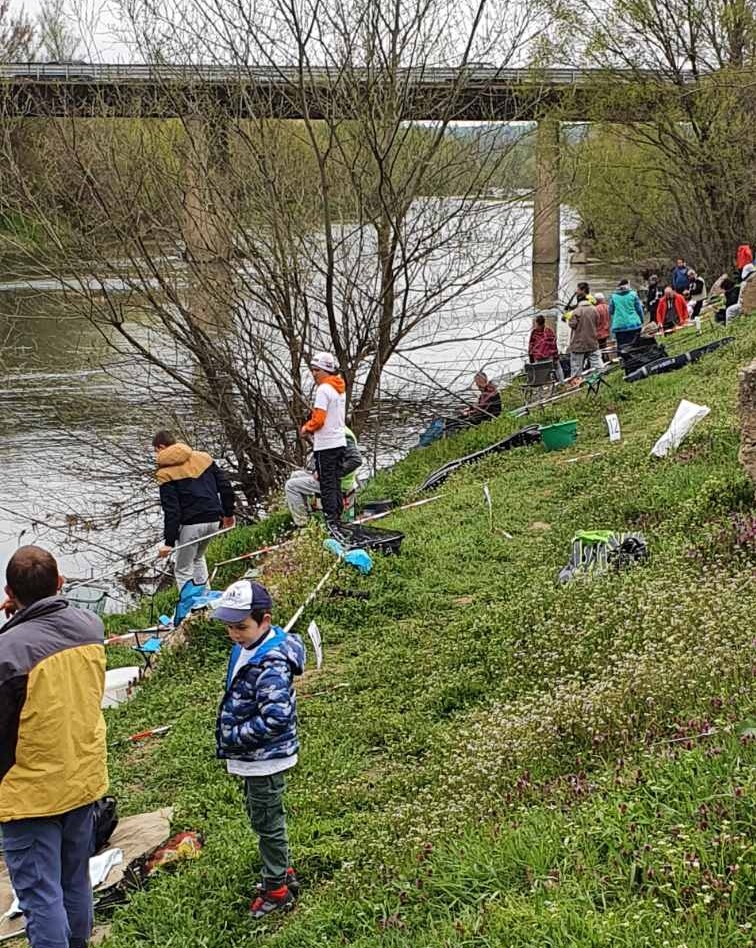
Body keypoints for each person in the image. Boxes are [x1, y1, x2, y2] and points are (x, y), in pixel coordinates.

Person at [0, 546, 108, 948]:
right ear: (60, 583)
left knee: (40, 896)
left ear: (9, 592)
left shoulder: (7, 652)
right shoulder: (90, 626)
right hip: (82, 775)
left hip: (28, 793)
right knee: (73, 880)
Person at [213, 579, 305, 920]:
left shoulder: (272, 664)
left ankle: (276, 889)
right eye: (229, 628)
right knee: (261, 816)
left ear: (265, 621)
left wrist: (235, 737)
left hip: (264, 760)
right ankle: (282, 869)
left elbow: (277, 719)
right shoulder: (248, 647)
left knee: (268, 823)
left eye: (241, 627)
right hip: (252, 759)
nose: (235, 635)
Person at [153, 431, 236, 593]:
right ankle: (206, 600)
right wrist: (228, 513)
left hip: (190, 525)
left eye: (156, 451)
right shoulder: (203, 457)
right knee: (198, 558)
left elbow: (172, 510)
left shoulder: (164, 473)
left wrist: (168, 543)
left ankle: (191, 609)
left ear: (161, 447)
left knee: (183, 569)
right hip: (213, 519)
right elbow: (225, 486)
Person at [300, 352, 346, 532]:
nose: (313, 374)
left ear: (325, 371)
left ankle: (331, 523)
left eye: (316, 370)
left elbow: (319, 419)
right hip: (340, 442)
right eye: (312, 370)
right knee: (336, 481)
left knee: (326, 484)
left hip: (326, 445)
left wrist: (306, 428)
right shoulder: (339, 388)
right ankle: (338, 517)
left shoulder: (323, 390)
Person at [285, 427, 362, 528]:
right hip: (329, 477)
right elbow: (321, 457)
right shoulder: (332, 431)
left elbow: (356, 460)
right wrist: (316, 471)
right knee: (296, 475)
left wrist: (327, 474)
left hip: (338, 482)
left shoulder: (342, 436)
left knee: (291, 486)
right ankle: (308, 515)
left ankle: (303, 525)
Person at [567, 300, 603, 377]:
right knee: (596, 362)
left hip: (578, 343)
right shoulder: (594, 309)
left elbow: (572, 324)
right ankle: (599, 377)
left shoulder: (576, 311)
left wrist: (568, 319)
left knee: (576, 365)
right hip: (592, 341)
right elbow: (598, 322)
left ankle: (576, 382)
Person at [608, 279, 644, 351]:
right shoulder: (633, 295)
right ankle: (635, 360)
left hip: (619, 326)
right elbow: (639, 310)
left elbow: (611, 311)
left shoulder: (613, 297)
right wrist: (642, 320)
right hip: (634, 324)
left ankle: (622, 360)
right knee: (634, 345)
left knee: (621, 346)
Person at [528, 314, 564, 381]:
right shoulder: (548, 331)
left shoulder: (534, 333)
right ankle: (561, 382)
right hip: (548, 357)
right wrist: (556, 357)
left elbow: (531, 346)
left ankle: (541, 387)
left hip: (538, 358)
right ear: (544, 322)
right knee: (558, 367)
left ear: (536, 323)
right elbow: (553, 346)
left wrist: (531, 359)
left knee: (540, 371)